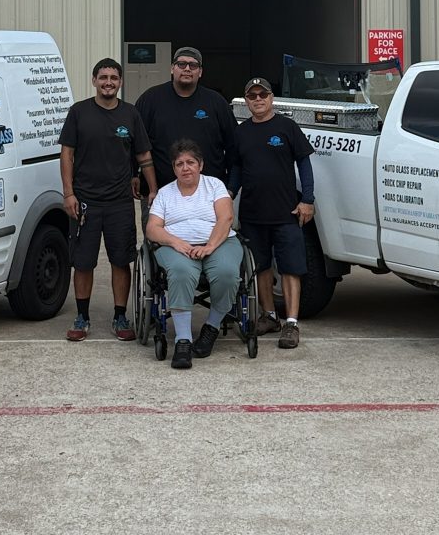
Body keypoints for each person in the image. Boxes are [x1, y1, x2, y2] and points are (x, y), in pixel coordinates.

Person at [59, 57, 157, 343]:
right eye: (103, 77)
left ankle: (120, 317)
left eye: (114, 78)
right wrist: (68, 193)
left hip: (120, 203)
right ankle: (82, 318)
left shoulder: (130, 114)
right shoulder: (79, 112)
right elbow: (67, 154)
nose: (108, 83)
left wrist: (153, 189)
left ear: (121, 82)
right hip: (85, 202)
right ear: (94, 81)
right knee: (83, 262)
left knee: (120, 260)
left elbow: (143, 155)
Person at [232, 77, 315, 350]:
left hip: (286, 213)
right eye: (252, 95)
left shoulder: (287, 127)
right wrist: (227, 196)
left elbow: (304, 163)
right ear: (246, 101)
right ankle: (269, 316)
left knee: (291, 268)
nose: (258, 99)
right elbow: (236, 170)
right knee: (261, 267)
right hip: (253, 214)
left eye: (262, 94)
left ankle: (291, 323)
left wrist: (307, 200)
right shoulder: (241, 133)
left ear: (271, 98)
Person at [146, 138, 242, 369]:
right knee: (180, 272)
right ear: (174, 168)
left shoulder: (214, 185)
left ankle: (211, 327)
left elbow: (226, 218)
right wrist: (176, 242)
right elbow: (152, 228)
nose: (185, 168)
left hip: (219, 242)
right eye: (179, 164)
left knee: (227, 273)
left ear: (201, 165)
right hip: (177, 247)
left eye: (190, 162)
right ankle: (183, 340)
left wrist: (210, 246)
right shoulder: (165, 193)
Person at [134, 47, 238, 217]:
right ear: (172, 68)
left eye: (193, 65)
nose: (187, 69)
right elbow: (136, 142)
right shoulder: (150, 99)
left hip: (208, 198)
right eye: (181, 64)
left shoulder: (217, 103)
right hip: (158, 195)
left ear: (200, 72)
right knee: (156, 234)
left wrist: (231, 188)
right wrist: (133, 174)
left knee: (210, 235)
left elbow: (234, 147)